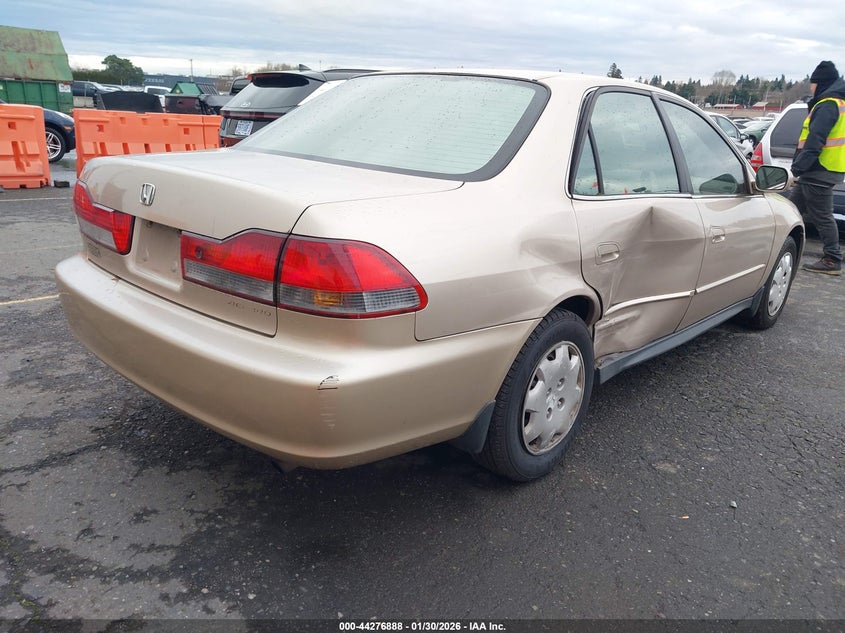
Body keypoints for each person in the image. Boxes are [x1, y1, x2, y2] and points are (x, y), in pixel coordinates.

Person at [788, 60, 845, 275]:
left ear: (820, 83)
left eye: (812, 83)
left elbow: (815, 141)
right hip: (820, 170)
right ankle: (774, 248)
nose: (811, 87)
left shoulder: (828, 104)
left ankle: (832, 259)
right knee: (791, 210)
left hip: (819, 170)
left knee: (822, 215)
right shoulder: (837, 104)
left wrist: (797, 170)